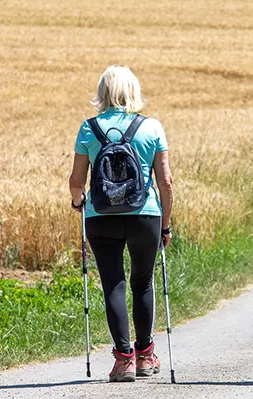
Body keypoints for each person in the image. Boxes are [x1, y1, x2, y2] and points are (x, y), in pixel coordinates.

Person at [69, 66, 174, 382]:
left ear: (102, 93)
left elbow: (76, 181)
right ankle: (146, 356)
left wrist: (78, 203)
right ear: (133, 92)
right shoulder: (151, 127)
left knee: (113, 283)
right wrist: (165, 224)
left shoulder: (89, 129)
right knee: (142, 281)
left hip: (101, 217)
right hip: (146, 215)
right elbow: (166, 180)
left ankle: (124, 360)